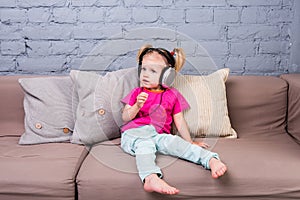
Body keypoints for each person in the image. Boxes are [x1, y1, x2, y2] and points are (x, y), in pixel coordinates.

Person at [120, 44, 227, 195]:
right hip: (135, 134)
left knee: (176, 143)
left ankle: (210, 160)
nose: (145, 74)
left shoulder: (173, 95)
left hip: (159, 136)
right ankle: (150, 177)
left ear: (167, 75)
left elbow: (179, 121)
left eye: (152, 71)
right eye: (143, 69)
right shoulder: (137, 92)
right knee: (145, 145)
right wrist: (137, 105)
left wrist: (190, 141)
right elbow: (125, 117)